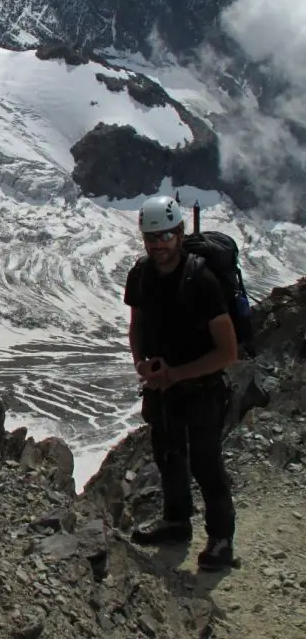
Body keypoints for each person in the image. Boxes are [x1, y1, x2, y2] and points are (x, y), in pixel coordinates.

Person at [123, 194, 239, 570]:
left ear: (179, 233)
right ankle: (176, 523)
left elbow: (227, 352)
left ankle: (221, 540)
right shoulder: (141, 275)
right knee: (169, 457)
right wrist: (141, 363)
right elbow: (137, 322)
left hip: (203, 388)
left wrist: (176, 374)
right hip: (164, 388)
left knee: (206, 463)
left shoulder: (202, 280)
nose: (158, 245)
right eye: (151, 237)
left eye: (165, 236)